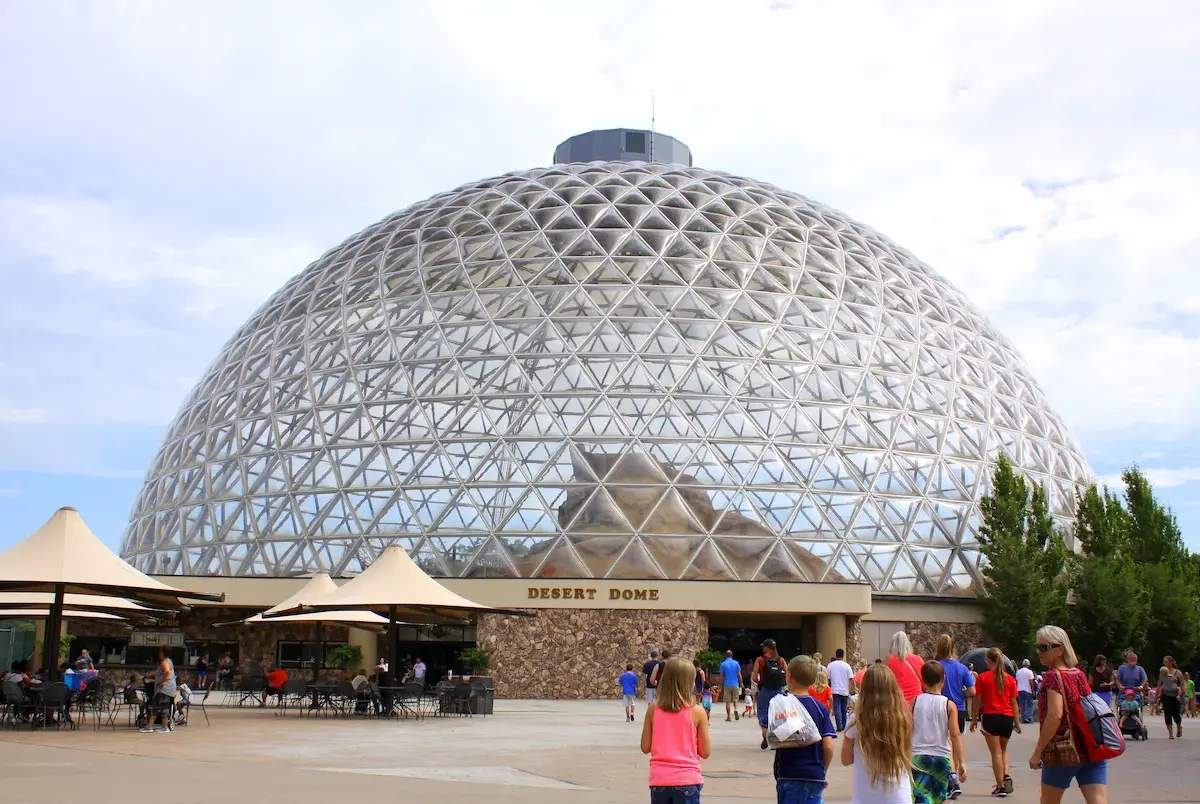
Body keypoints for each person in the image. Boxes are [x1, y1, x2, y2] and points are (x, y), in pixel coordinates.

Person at [1028, 625, 1108, 804]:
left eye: (1044, 647)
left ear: (1060, 649)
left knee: (1048, 801)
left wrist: (1038, 752)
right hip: (1091, 746)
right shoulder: (1079, 674)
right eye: (1038, 647)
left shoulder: (1052, 676)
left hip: (1063, 751)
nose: (1039, 651)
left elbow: (1055, 715)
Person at [640, 656, 710, 803]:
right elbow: (705, 752)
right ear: (690, 682)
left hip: (659, 780)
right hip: (688, 779)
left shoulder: (653, 709)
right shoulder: (698, 712)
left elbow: (645, 747)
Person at [841, 663, 913, 803]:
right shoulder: (903, 718)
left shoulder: (857, 720)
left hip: (866, 797)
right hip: (899, 796)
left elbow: (845, 759)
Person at [770, 656, 835, 803]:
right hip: (814, 774)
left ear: (789, 676)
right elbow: (829, 747)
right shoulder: (820, 709)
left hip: (789, 773)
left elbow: (775, 736)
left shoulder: (783, 706)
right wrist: (822, 770)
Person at [911, 661, 967, 804]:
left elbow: (907, 730)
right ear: (943, 679)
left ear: (922, 680)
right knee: (940, 797)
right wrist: (961, 762)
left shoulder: (915, 702)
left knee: (921, 797)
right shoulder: (949, 705)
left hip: (919, 756)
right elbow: (955, 735)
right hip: (942, 757)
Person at [971, 647, 1020, 797]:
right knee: (1003, 750)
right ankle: (1005, 775)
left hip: (990, 716)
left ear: (988, 661)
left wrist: (974, 719)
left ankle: (1000, 786)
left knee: (996, 753)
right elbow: (1014, 702)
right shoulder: (1010, 679)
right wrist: (1017, 722)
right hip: (1007, 717)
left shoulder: (983, 678)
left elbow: (977, 701)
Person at [933, 634, 975, 801]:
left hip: (940, 706)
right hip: (959, 708)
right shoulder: (962, 668)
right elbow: (972, 692)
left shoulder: (936, 666)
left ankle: (950, 780)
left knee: (944, 744)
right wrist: (960, 693)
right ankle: (954, 776)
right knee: (955, 741)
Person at [754, 639, 788, 750]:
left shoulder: (760, 660)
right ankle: (776, 740)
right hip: (778, 690)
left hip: (765, 690)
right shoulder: (781, 660)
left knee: (764, 713)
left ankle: (765, 735)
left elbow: (754, 677)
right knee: (777, 714)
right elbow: (787, 675)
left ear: (767, 648)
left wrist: (760, 684)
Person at [886, 631, 924, 704]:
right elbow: (924, 682)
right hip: (917, 701)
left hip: (898, 702)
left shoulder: (888, 661)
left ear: (893, 645)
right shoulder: (918, 659)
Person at [146, 647, 177, 733]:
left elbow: (166, 672)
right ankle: (162, 726)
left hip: (164, 689)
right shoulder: (168, 661)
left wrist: (161, 681)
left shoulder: (165, 662)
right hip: (169, 689)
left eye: (160, 653)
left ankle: (150, 726)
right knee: (163, 707)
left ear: (163, 653)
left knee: (157, 706)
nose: (159, 655)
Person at [827, 649, 854, 733]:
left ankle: (839, 725)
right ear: (843, 655)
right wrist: (853, 688)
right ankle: (844, 725)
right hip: (845, 690)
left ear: (836, 655)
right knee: (844, 708)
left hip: (835, 689)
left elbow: (827, 678)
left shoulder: (831, 665)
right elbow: (851, 679)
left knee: (837, 708)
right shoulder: (847, 665)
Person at [1159, 656, 1183, 739]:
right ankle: (1170, 733)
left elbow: (1182, 686)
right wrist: (1158, 694)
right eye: (1164, 662)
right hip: (1166, 696)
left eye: (1166, 662)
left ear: (1171, 662)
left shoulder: (1177, 672)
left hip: (1175, 696)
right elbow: (1160, 684)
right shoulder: (1163, 672)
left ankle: (1179, 727)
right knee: (1167, 715)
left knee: (1176, 714)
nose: (1165, 663)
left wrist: (1181, 695)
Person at [718, 650, 742, 722]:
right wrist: (741, 682)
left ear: (725, 655)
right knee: (736, 699)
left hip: (727, 684)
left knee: (727, 701)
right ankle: (736, 710)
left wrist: (720, 685)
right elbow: (739, 674)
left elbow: (721, 676)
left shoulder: (723, 664)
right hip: (735, 684)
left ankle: (728, 717)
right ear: (732, 655)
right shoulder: (736, 663)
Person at [1015, 659, 1036, 724]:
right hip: (1027, 690)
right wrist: (1033, 691)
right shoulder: (1029, 672)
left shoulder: (1018, 672)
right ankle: (1028, 717)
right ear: (1028, 665)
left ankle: (1024, 718)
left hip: (1019, 690)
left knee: (1022, 705)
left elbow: (1016, 682)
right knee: (1031, 704)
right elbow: (1031, 682)